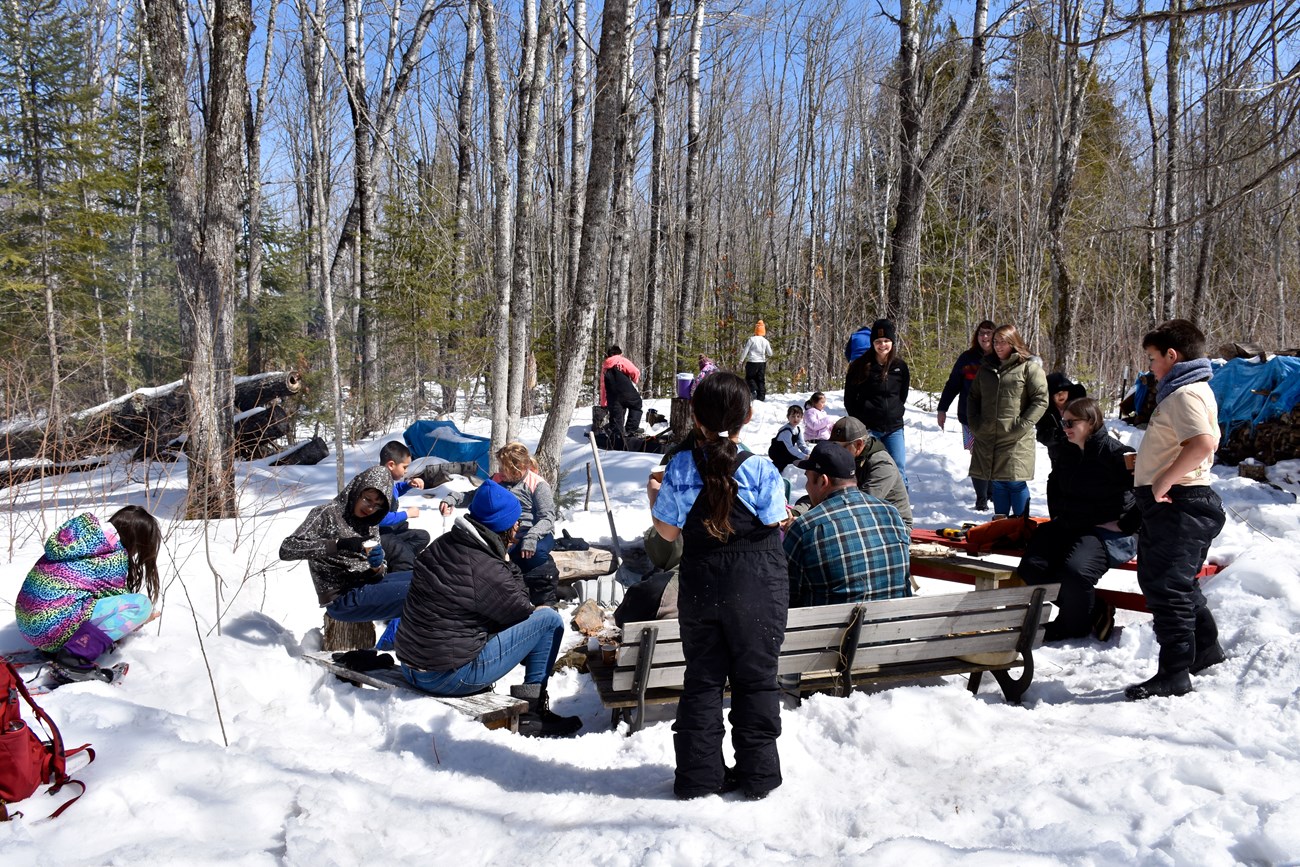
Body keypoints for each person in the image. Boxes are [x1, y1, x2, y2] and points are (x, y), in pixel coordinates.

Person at [650, 372, 788, 800]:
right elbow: (773, 519)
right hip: (759, 586)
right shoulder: (762, 468)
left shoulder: (680, 467)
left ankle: (698, 777)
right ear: (747, 417)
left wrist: (656, 497)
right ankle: (758, 776)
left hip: (702, 584)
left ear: (694, 416)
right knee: (757, 679)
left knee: (704, 680)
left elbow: (667, 535)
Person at [395, 479, 582, 738]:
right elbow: (522, 612)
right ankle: (533, 712)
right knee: (548, 619)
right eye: (515, 522)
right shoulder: (487, 567)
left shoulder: (443, 544)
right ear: (503, 527)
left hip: (411, 666)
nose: (518, 527)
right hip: (447, 677)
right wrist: (507, 559)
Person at [1125, 319, 1226, 701]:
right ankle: (1205, 649)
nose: (1149, 367)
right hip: (1176, 503)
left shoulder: (1186, 394)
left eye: (1152, 358)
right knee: (1174, 583)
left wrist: (1164, 479)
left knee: (1167, 588)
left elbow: (1202, 443)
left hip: (1180, 502)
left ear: (1173, 355)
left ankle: (1174, 672)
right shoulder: (1188, 391)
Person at [1017, 398, 1135, 643]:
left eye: (1071, 422)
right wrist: (1058, 516)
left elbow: (1147, 492)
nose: (1065, 427)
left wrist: (1126, 524)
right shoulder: (1066, 451)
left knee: (1076, 573)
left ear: (1091, 422)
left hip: (1104, 530)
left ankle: (1074, 626)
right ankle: (1092, 609)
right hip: (1069, 523)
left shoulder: (1117, 454)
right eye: (1063, 422)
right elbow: (1054, 485)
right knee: (1032, 567)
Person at [16, 506, 162, 682]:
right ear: (136, 540)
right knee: (140, 605)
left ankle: (56, 647)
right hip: (50, 632)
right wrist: (142, 619)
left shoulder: (80, 536)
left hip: (27, 625)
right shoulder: (111, 557)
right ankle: (73, 659)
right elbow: (116, 605)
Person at [784, 442, 911, 608]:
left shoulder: (806, 528)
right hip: (895, 629)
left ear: (823, 481)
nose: (806, 487)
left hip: (831, 632)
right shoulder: (891, 513)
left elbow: (784, 595)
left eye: (808, 479)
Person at [280, 466, 413, 623]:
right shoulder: (327, 513)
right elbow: (287, 549)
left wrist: (377, 566)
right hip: (342, 597)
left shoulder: (371, 521)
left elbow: (378, 572)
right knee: (422, 592)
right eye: (367, 499)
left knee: (427, 577)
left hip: (367, 584)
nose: (370, 508)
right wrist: (338, 545)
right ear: (357, 490)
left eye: (377, 505)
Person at [440, 442, 559, 606]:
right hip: (505, 533)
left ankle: (537, 591)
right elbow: (475, 496)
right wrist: (453, 498)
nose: (500, 471)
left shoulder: (537, 484)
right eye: (500, 467)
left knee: (535, 554)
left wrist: (532, 536)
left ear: (518, 468)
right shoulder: (496, 480)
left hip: (532, 532)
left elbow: (547, 517)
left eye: (504, 468)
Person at [968, 324, 1048, 518]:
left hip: (1016, 438)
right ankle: (1001, 529)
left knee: (1015, 482)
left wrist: (1020, 427)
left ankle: (1021, 529)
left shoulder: (1028, 367)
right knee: (997, 482)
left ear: (1013, 342)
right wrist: (975, 425)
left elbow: (1041, 399)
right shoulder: (986, 367)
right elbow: (973, 397)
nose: (997, 346)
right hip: (988, 435)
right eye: (995, 342)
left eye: (1002, 342)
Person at [937, 319, 995, 510]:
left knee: (995, 456)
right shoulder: (967, 358)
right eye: (981, 333)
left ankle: (993, 493)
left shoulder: (1001, 357)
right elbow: (953, 383)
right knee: (977, 455)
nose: (984, 337)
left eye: (988, 333)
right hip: (969, 416)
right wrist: (942, 408)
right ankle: (981, 498)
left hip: (996, 418)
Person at [844, 318, 910, 486]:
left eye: (886, 341)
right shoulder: (860, 366)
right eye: (878, 341)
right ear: (872, 343)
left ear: (892, 342)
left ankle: (900, 508)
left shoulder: (900, 366)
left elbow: (902, 395)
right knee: (868, 468)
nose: (883, 345)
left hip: (894, 428)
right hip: (870, 429)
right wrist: (861, 423)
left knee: (898, 467)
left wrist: (894, 411)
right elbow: (850, 399)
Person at [828, 416, 912, 531]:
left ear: (858, 445)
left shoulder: (882, 465)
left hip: (894, 525)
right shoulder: (845, 458)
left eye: (841, 447)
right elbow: (820, 491)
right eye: (834, 446)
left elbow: (862, 505)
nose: (836, 452)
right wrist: (798, 512)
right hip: (864, 519)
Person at [364, 441, 431, 573]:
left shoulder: (387, 480)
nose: (406, 471)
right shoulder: (378, 484)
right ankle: (403, 567)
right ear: (391, 465)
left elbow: (394, 491)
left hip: (388, 531)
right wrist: (406, 514)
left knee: (422, 537)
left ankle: (396, 559)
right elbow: (379, 518)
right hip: (375, 535)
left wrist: (408, 484)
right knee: (405, 557)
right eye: (404, 467)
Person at [601, 345, 643, 442]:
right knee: (636, 404)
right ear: (620, 353)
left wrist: (604, 402)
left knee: (616, 415)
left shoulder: (605, 367)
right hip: (626, 391)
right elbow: (635, 371)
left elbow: (603, 385)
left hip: (612, 395)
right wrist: (635, 379)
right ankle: (631, 430)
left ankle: (617, 438)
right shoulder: (621, 360)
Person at [1035, 373, 1088, 451]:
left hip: (1082, 452)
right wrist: (1059, 434)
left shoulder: (1080, 406)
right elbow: (1042, 437)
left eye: (1064, 391)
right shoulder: (1045, 413)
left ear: (1069, 392)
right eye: (1056, 392)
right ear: (1051, 396)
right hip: (1059, 456)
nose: (1061, 395)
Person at [768, 404, 811, 473]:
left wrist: (808, 453)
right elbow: (790, 448)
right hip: (777, 452)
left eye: (798, 416)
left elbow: (801, 444)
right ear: (788, 417)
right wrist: (804, 456)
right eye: (793, 416)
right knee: (787, 462)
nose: (795, 419)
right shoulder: (786, 431)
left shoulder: (798, 429)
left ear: (801, 417)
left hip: (787, 452)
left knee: (798, 460)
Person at [739, 320, 773, 401]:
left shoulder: (751, 339)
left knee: (750, 377)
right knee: (761, 379)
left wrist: (741, 360)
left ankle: (753, 390)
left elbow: (745, 351)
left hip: (752, 362)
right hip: (762, 362)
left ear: (756, 330)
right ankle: (761, 397)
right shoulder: (765, 341)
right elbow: (770, 353)